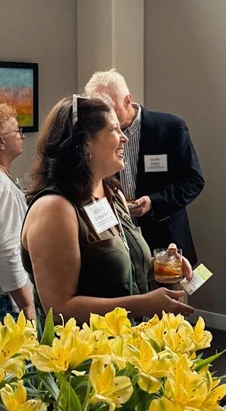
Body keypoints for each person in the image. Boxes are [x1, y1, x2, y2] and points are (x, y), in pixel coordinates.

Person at [21, 95, 194, 325]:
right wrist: (142, 304)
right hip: (81, 347)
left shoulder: (113, 193)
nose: (124, 138)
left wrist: (162, 265)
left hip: (124, 341)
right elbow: (60, 309)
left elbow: (114, 268)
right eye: (114, 130)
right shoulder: (55, 208)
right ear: (85, 142)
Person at [84, 69, 204, 265]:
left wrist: (153, 202)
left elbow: (194, 181)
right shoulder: (94, 136)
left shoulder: (170, 128)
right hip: (116, 240)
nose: (103, 116)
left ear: (127, 100)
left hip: (165, 238)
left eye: (109, 108)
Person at [0, 104, 35, 321]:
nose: (22, 136)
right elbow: (7, 249)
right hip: (7, 302)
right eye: (16, 131)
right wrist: (26, 305)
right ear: (1, 142)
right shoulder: (3, 187)